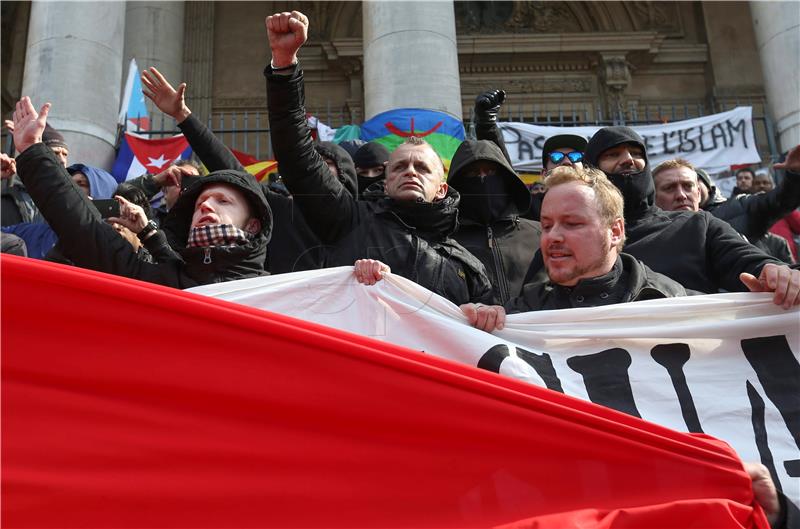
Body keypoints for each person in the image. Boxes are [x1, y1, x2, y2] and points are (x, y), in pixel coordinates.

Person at [265, 10, 491, 305]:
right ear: (385, 182)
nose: (410, 171)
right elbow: (297, 156)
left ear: (442, 188)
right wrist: (284, 67)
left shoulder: (468, 265)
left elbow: (490, 330)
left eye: (422, 167)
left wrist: (487, 313)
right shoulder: (350, 221)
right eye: (399, 166)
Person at [12, 96, 272, 288]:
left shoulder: (274, 291)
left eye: (223, 201)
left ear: (252, 225)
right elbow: (85, 228)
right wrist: (33, 151)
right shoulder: (160, 280)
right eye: (200, 202)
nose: (205, 206)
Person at [568, 125, 800, 302]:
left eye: (636, 153)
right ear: (593, 168)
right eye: (613, 154)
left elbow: (746, 260)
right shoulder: (570, 235)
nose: (628, 159)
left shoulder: (698, 225)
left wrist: (773, 271)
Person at [140, 65, 323, 274]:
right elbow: (231, 170)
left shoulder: (362, 219)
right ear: (253, 225)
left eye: (328, 169)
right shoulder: (282, 211)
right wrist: (182, 115)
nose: (207, 207)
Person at [461, 167, 687, 331]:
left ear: (615, 231)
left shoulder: (672, 301)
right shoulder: (523, 312)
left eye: (572, 224)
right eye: (547, 225)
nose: (553, 237)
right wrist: (484, 321)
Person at [447, 137, 541, 304]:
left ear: (506, 179)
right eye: (473, 173)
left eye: (491, 172)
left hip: (534, 328)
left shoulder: (540, 234)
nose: (483, 179)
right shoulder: (444, 243)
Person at [655, 156, 800, 263]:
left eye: (688, 185)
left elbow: (779, 201)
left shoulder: (739, 206)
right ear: (653, 197)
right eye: (669, 187)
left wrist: (795, 174)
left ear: (700, 190)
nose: (681, 195)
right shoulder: (646, 235)